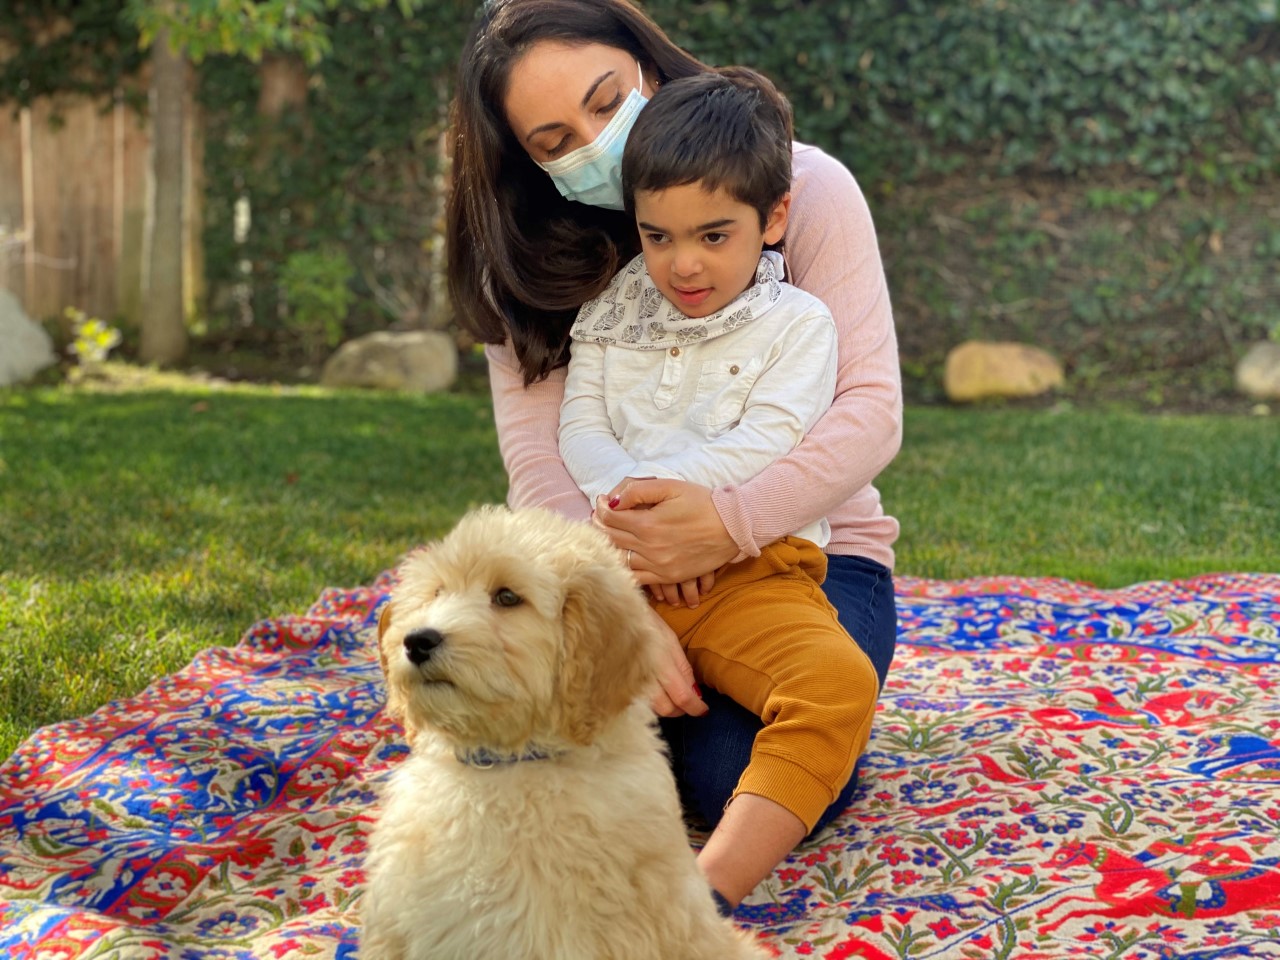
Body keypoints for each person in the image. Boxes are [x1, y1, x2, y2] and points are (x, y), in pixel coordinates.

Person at [447, 0, 902, 910]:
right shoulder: (529, 262)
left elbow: (870, 413)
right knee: (536, 709)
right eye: (554, 140)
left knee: (731, 768)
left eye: (605, 100)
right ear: (526, 162)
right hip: (613, 560)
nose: (595, 142)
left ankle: (701, 874)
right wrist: (621, 599)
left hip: (799, 555)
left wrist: (726, 522)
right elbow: (542, 464)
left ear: (648, 64)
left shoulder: (801, 185)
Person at [557, 66, 880, 915]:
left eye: (713, 234)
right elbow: (579, 429)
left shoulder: (798, 324)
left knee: (838, 685)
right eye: (657, 236)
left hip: (750, 571)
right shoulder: (610, 316)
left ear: (773, 218)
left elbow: (771, 438)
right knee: (508, 674)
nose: (683, 262)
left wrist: (679, 515)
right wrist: (636, 526)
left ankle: (707, 898)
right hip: (618, 570)